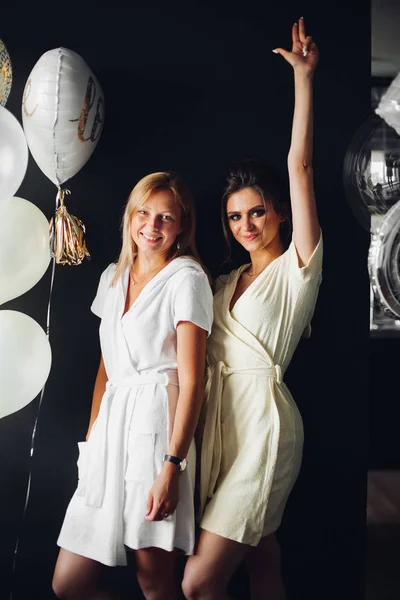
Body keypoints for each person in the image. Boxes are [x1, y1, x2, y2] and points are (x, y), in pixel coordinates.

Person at [183, 17, 322, 600]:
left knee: (197, 585)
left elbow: (299, 166)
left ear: (280, 214)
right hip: (221, 431)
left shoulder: (298, 268)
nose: (247, 226)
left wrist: (304, 81)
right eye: (236, 217)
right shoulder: (222, 282)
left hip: (265, 431)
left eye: (258, 213)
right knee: (265, 560)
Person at [53, 172, 213, 600]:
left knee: (154, 581)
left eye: (165, 217)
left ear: (182, 226)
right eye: (144, 212)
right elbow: (106, 371)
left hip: (157, 429)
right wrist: (91, 443)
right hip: (109, 431)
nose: (152, 226)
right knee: (68, 583)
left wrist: (171, 467)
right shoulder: (111, 277)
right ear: (130, 217)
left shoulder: (187, 279)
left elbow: (193, 380)